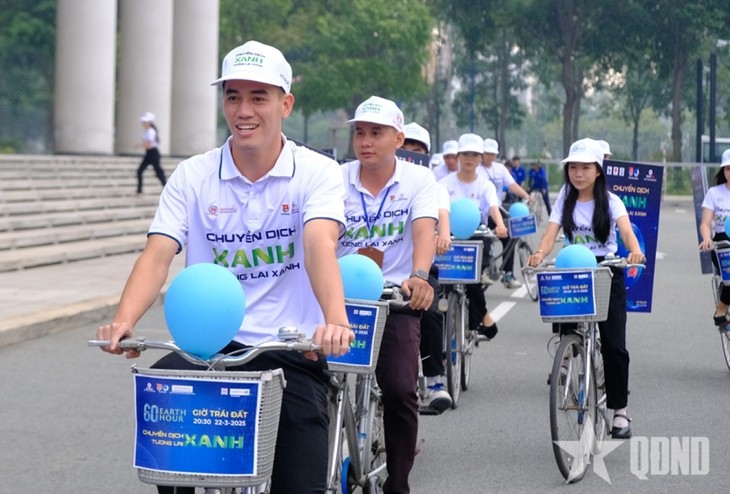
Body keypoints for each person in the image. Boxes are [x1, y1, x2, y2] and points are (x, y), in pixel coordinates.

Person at [96, 40, 354, 494]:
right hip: (207, 351)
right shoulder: (193, 175)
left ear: (285, 104)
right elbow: (157, 253)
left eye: (259, 97)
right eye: (233, 96)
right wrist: (124, 320)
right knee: (167, 442)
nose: (244, 110)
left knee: (301, 484)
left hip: (288, 350)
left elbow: (319, 245)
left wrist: (335, 320)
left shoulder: (317, 172)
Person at [339, 96, 438, 493]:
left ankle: (398, 482)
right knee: (310, 385)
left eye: (376, 133)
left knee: (399, 389)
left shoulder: (418, 180)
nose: (365, 141)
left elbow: (424, 231)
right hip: (339, 298)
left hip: (394, 298)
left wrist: (419, 275)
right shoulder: (334, 179)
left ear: (398, 138)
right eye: (360, 133)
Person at [528, 137, 644, 440]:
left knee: (614, 346)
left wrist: (635, 251)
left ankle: (620, 411)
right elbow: (550, 235)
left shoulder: (612, 201)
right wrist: (539, 253)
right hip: (574, 268)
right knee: (565, 321)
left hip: (606, 270)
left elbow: (627, 232)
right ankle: (567, 352)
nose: (578, 174)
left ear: (598, 170)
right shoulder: (564, 198)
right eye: (573, 168)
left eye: (585, 168)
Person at [402, 121, 453, 412]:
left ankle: (434, 380)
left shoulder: (434, 186)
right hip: (372, 274)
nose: (410, 155)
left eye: (417, 150)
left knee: (431, 313)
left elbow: (441, 215)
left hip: (418, 272)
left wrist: (443, 236)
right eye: (405, 148)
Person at [439, 133, 507, 338]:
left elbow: (493, 207)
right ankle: (451, 325)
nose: (470, 158)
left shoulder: (485, 185)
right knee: (443, 281)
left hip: (477, 236)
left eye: (475, 154)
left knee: (473, 281)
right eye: (465, 154)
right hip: (449, 236)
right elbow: (439, 210)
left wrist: (500, 225)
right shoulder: (444, 183)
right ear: (458, 156)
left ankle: (482, 317)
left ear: (481, 158)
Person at [479, 138, 531, 288]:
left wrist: (526, 196)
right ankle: (482, 271)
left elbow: (512, 185)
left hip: (497, 210)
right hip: (479, 212)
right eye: (486, 153)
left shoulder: (500, 168)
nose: (489, 157)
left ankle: (508, 274)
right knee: (483, 237)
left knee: (510, 235)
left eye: (492, 154)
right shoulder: (476, 169)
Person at [699, 149, 730, 325]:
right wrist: (707, 239)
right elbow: (705, 224)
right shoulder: (714, 193)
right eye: (728, 169)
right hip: (722, 244)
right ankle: (722, 306)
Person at [136, 112, 167, 195]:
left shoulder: (151, 131)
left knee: (158, 172)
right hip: (149, 153)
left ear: (149, 123)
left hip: (153, 153)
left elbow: (149, 145)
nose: (143, 124)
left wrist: (140, 145)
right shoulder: (147, 131)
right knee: (140, 171)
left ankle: (166, 188)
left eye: (145, 122)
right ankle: (139, 190)